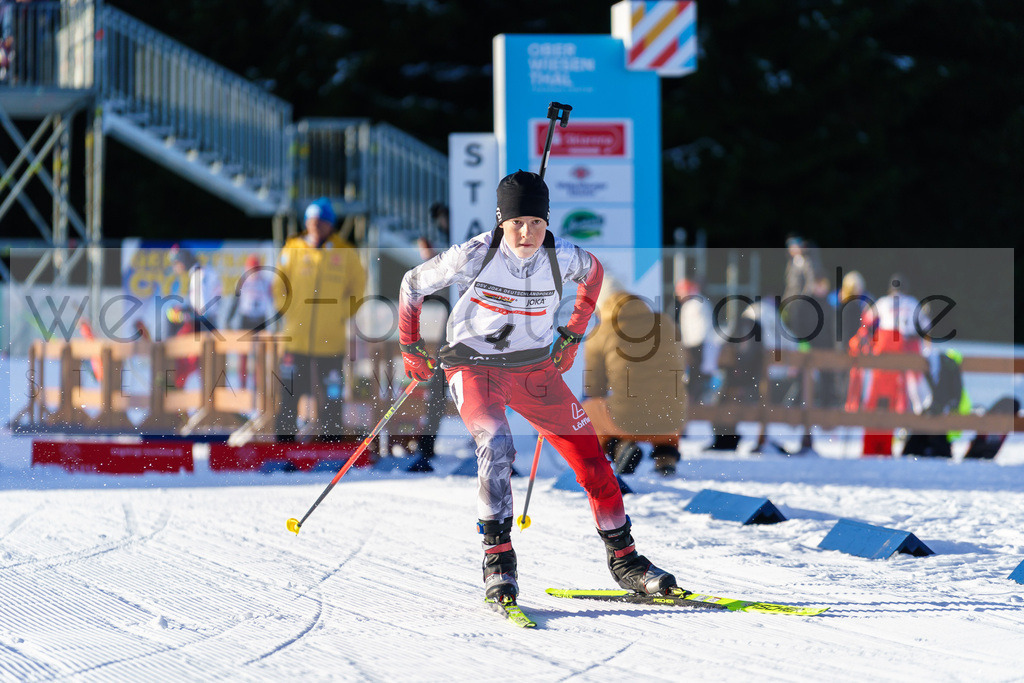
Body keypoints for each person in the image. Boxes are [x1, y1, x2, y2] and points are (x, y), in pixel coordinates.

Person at [398, 170, 676, 604]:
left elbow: (595, 275)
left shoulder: (564, 256)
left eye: (537, 223)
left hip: (534, 371)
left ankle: (626, 560)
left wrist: (571, 335)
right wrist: (410, 346)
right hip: (473, 366)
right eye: (516, 223)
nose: (527, 232)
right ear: (500, 221)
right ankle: (498, 561)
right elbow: (411, 285)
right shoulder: (472, 254)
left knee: (592, 461)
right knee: (496, 440)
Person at [273, 197, 367, 442]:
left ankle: (331, 441)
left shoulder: (345, 252)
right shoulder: (292, 248)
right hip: (296, 338)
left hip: (330, 339)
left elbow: (358, 288)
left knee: (331, 394)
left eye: (321, 222)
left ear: (330, 224)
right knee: (290, 391)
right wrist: (290, 312)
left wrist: (341, 313)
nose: (315, 226)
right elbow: (278, 286)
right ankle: (284, 441)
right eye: (311, 221)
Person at [582, 278, 687, 476]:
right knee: (667, 397)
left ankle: (619, 448)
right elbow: (679, 367)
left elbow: (594, 389)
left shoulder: (600, 333)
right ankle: (666, 456)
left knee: (589, 409)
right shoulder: (665, 322)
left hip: (627, 421)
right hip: (672, 419)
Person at [166, 245, 222, 389]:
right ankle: (202, 402)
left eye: (175, 264)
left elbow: (202, 310)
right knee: (204, 370)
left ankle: (179, 399)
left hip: (203, 328)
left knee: (194, 366)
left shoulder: (198, 274)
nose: (175, 268)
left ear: (182, 262)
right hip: (208, 325)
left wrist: (182, 315)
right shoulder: (204, 271)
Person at [225, 253, 275, 389]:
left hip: (260, 321)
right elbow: (234, 302)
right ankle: (242, 386)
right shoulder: (242, 281)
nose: (253, 273)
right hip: (245, 320)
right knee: (243, 355)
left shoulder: (266, 283)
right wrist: (228, 320)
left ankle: (258, 386)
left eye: (256, 269)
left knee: (260, 356)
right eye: (250, 269)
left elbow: (273, 303)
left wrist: (277, 322)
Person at [676, 278, 712, 403]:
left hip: (696, 347)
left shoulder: (695, 305)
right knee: (694, 376)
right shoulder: (694, 304)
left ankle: (694, 401)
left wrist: (689, 347)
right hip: (694, 346)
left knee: (695, 376)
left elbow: (699, 330)